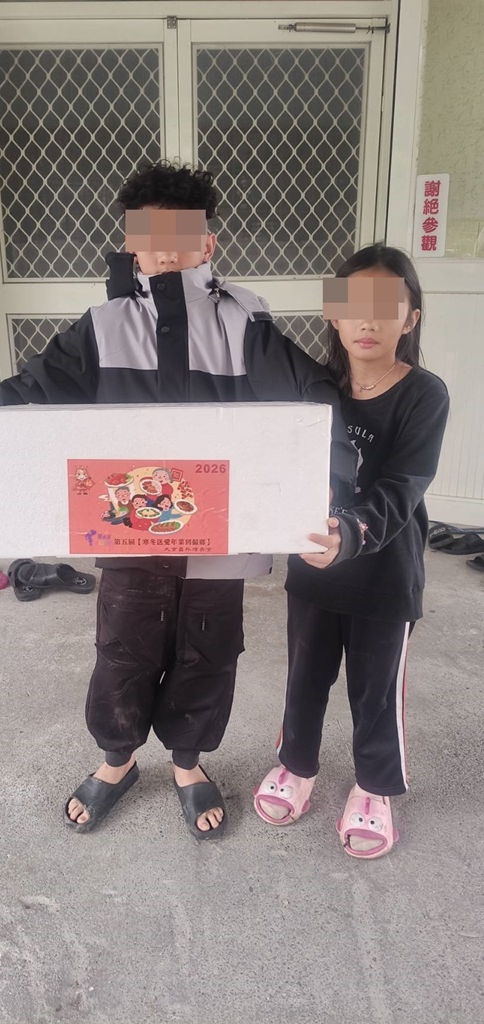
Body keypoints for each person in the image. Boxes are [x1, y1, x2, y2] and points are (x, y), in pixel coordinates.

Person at [0, 160, 356, 840]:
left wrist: (331, 480)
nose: (163, 250)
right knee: (122, 649)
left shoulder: (245, 324)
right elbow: (27, 395)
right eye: (148, 236)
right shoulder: (101, 327)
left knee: (208, 653)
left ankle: (188, 762)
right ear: (131, 244)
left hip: (221, 535)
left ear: (207, 244)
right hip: (128, 532)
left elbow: (312, 398)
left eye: (179, 236)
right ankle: (117, 759)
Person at [254, 244, 449, 859]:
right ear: (333, 314)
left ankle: (374, 787)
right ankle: (296, 764)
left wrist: (352, 532)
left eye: (386, 306)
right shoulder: (313, 388)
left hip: (385, 577)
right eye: (354, 306)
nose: (368, 320)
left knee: (375, 691)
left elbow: (403, 486)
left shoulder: (425, 395)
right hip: (313, 572)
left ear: (410, 319)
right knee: (304, 679)